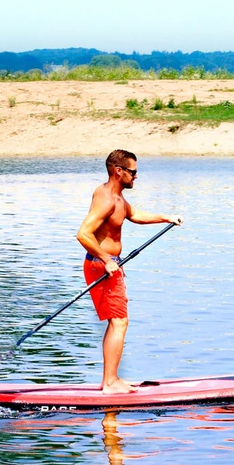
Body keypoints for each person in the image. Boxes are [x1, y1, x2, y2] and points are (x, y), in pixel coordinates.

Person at [77, 149, 182, 394]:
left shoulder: (116, 196)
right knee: (119, 322)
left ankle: (110, 380)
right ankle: (111, 383)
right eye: (133, 172)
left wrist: (166, 217)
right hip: (103, 265)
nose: (136, 177)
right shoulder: (106, 199)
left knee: (117, 322)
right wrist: (106, 259)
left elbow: (133, 214)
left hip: (107, 263)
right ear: (119, 171)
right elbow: (83, 233)